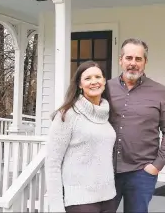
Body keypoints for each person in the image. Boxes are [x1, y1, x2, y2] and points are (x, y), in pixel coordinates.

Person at [105, 38, 165, 213]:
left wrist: (157, 165)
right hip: (106, 170)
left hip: (141, 173)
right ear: (120, 60)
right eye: (129, 58)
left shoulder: (159, 91)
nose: (133, 63)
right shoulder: (105, 88)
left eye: (138, 59)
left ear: (145, 62)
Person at [45, 61, 117, 213]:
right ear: (79, 84)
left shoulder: (107, 114)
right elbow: (53, 163)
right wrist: (56, 206)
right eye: (87, 78)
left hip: (109, 198)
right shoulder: (67, 115)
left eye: (98, 77)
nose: (94, 82)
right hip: (80, 201)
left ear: (104, 81)